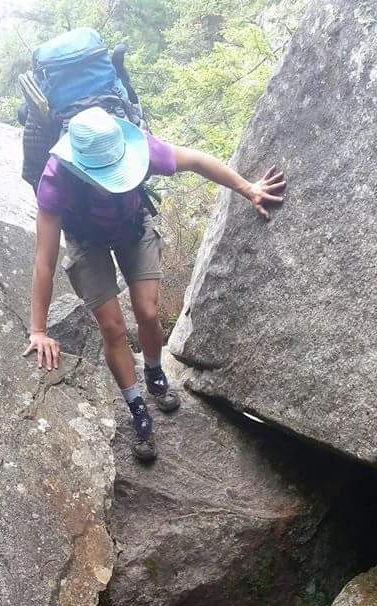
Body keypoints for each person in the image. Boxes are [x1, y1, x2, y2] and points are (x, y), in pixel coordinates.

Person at [25, 107, 286, 462]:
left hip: (132, 224)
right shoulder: (57, 179)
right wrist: (38, 330)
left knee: (148, 312)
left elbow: (197, 161)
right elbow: (44, 260)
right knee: (113, 328)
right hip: (86, 241)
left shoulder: (142, 149)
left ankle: (154, 371)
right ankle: (137, 407)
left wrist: (248, 188)